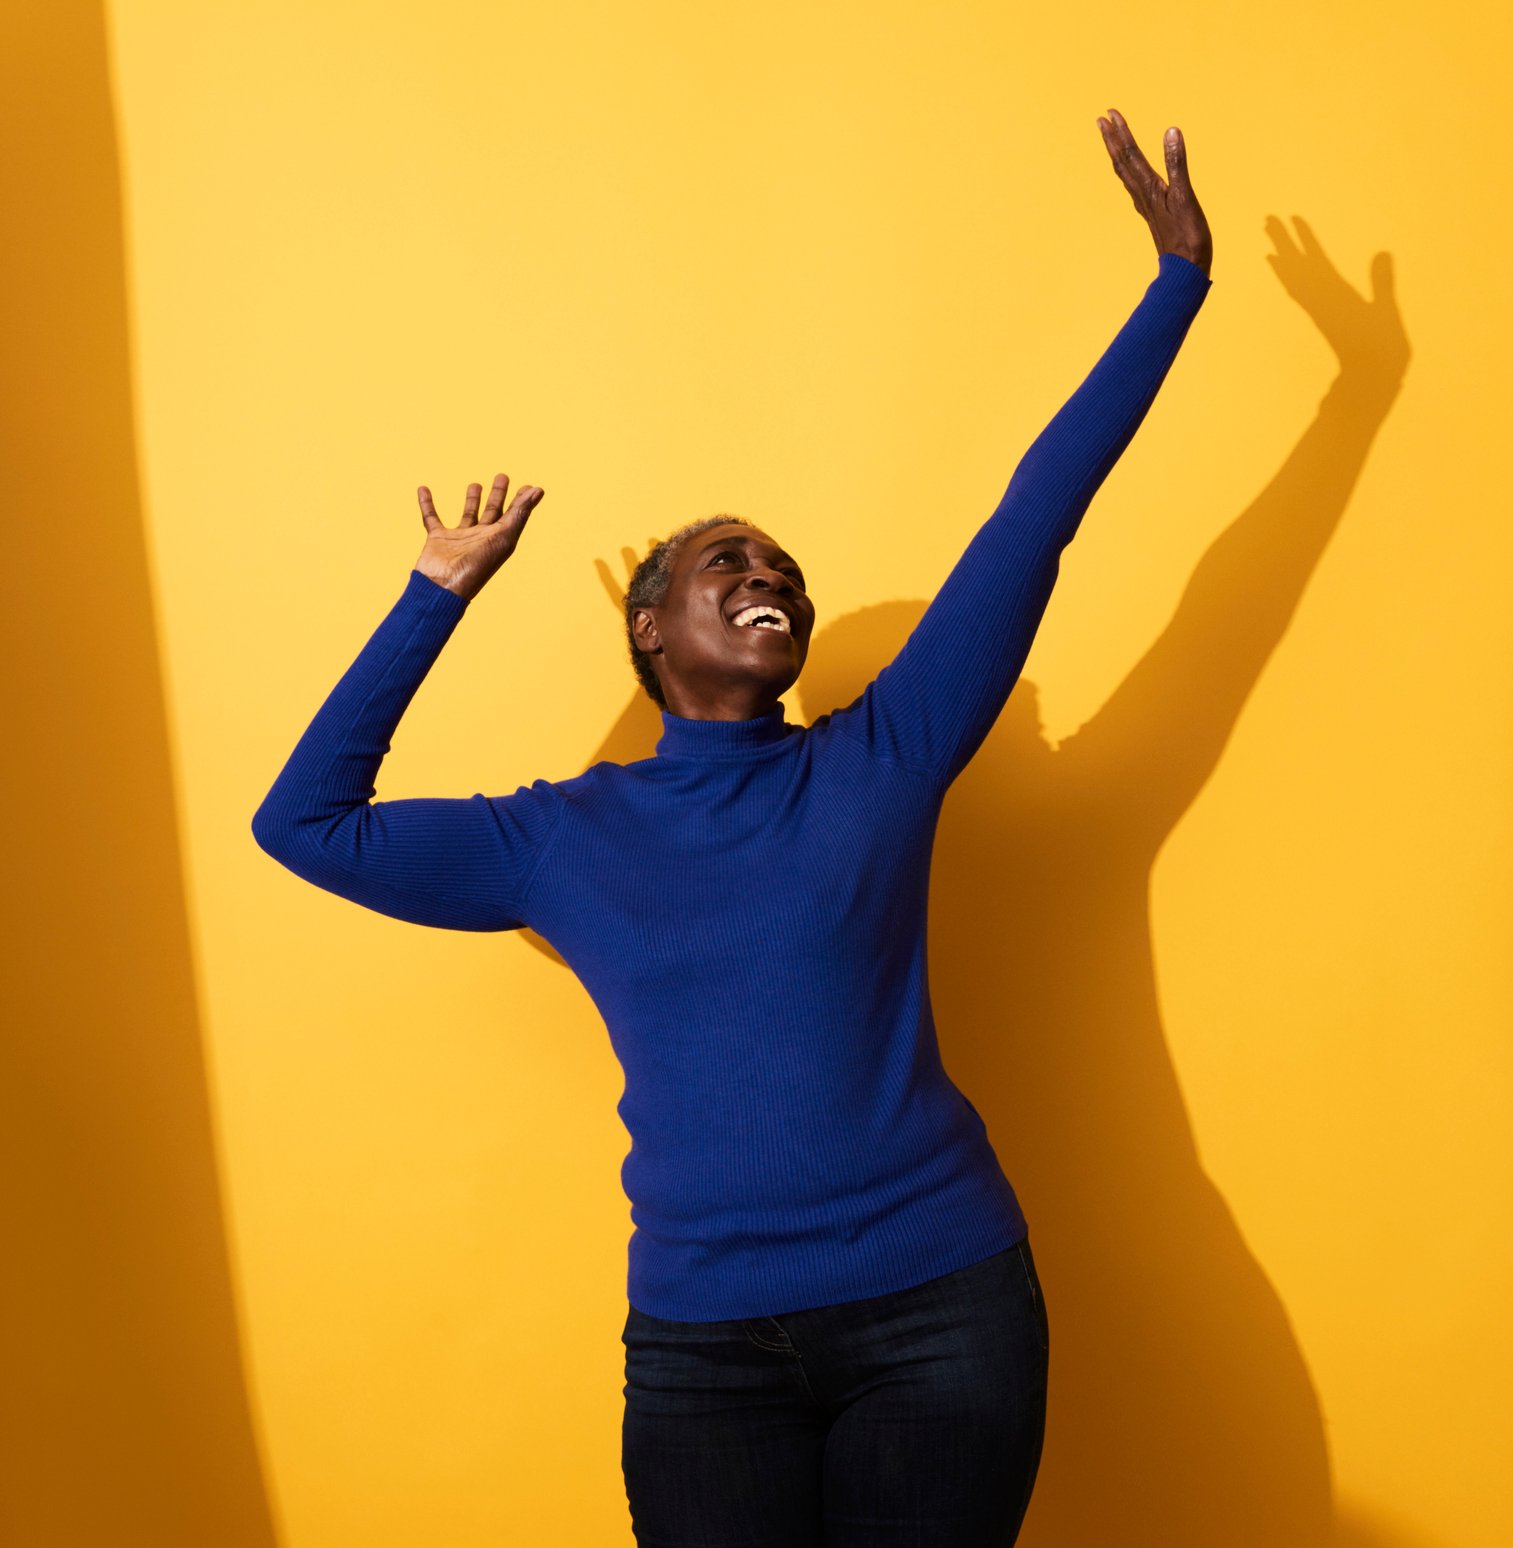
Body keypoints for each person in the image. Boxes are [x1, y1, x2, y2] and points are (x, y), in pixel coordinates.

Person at [252, 107, 1213, 1547]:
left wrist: (1176, 287)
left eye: (780, 566)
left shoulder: (879, 757)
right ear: (651, 629)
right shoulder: (555, 837)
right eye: (725, 562)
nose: (768, 574)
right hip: (705, 1355)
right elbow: (305, 823)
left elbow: (1037, 512)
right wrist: (434, 594)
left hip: (940, 1314)